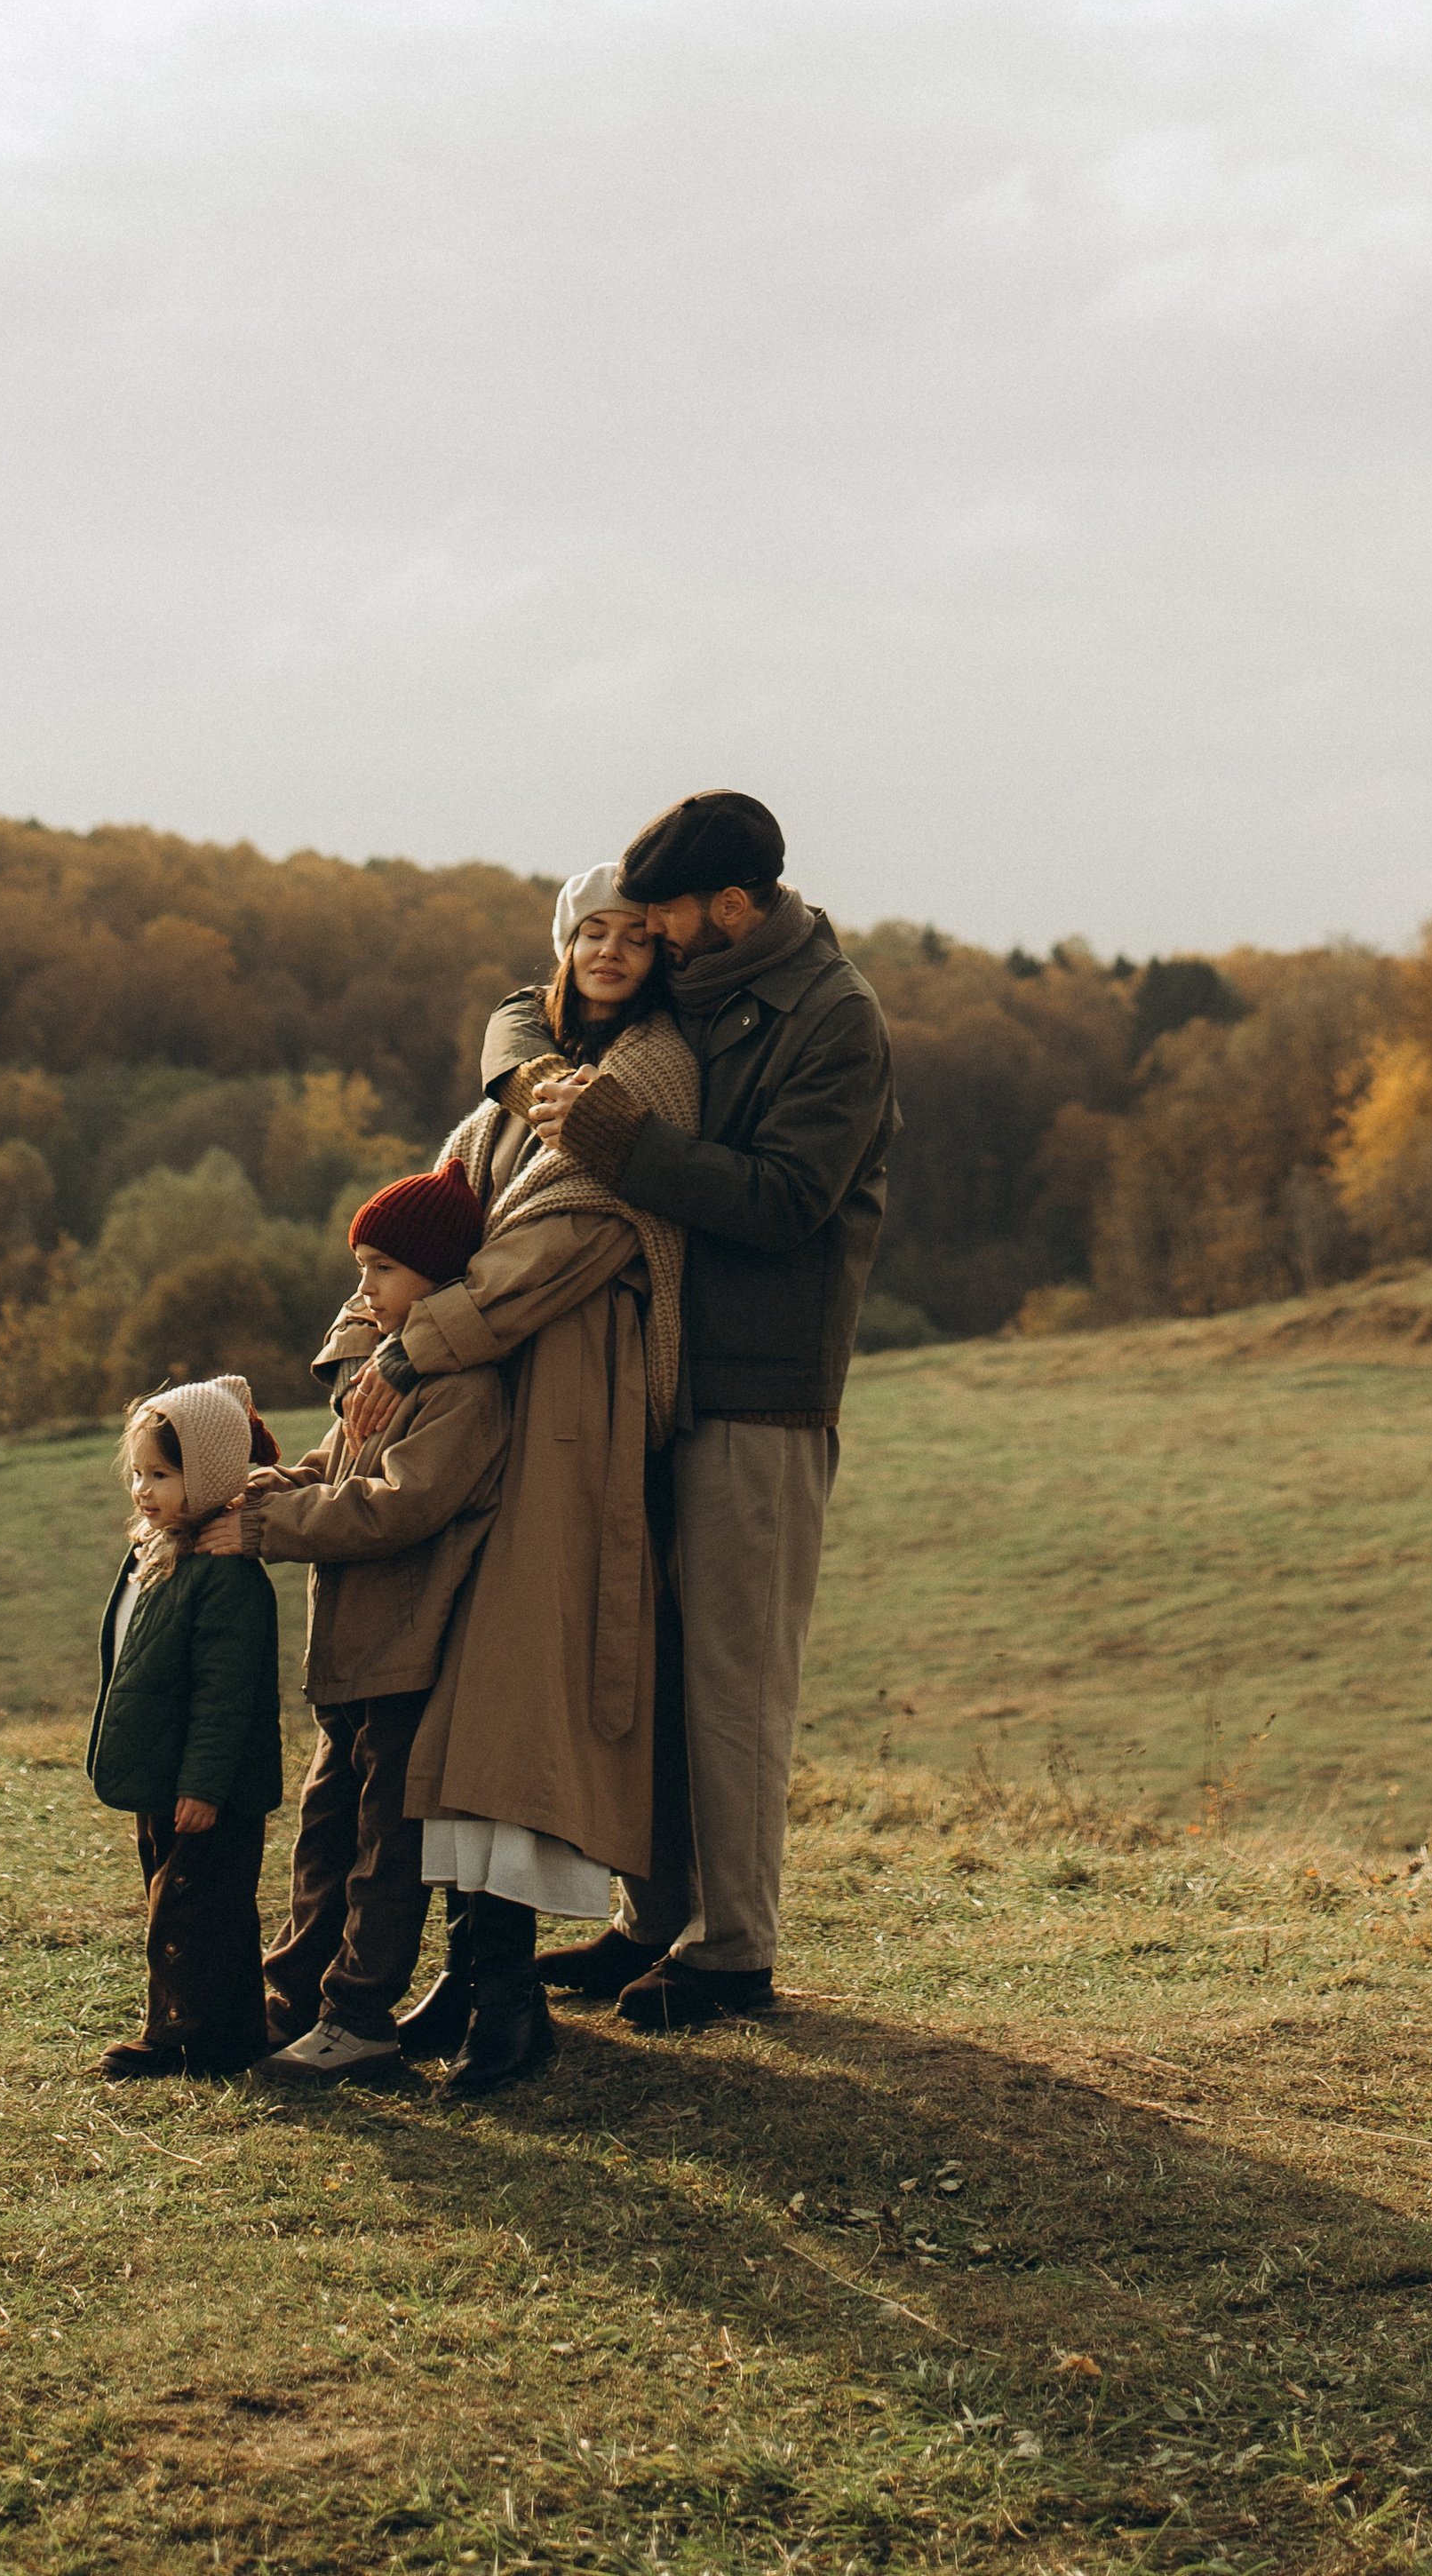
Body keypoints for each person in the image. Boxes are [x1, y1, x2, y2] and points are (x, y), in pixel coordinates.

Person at [504, 790, 897, 2032]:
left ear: (730, 904)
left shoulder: (834, 1018)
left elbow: (786, 1201)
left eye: (665, 912)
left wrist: (619, 1139)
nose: (649, 935)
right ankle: (653, 1917)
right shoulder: (702, 975)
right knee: (652, 1666)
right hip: (657, 1379)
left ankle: (734, 1948)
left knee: (733, 1679)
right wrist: (526, 1077)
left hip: (760, 1393)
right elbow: (528, 1007)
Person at [342, 862, 700, 2099]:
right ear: (562, 942)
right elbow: (423, 1226)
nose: (610, 950)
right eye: (591, 929)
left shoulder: (647, 1078)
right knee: (452, 1693)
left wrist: (406, 1349)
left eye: (634, 935)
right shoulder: (514, 1088)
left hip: (565, 1419)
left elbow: (551, 1251)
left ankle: (508, 2000)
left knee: (513, 1694)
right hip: (474, 1407)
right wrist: (353, 1348)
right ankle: (467, 1972)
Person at [203, 1157, 509, 2090]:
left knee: (385, 1852)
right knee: (323, 1838)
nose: (364, 1288)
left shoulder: (464, 1389)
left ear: (438, 1274)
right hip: (351, 1655)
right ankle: (293, 1998)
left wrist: (267, 1528)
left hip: (405, 1656)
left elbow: (392, 1507)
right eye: (361, 1267)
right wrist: (272, 1483)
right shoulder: (382, 1376)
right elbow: (334, 1469)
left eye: (382, 1268)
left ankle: (360, 2019)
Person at [84, 1372, 282, 2082]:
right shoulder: (157, 1552)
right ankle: (225, 2032)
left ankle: (185, 2035)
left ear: (209, 1477)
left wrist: (204, 1785)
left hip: (208, 1786)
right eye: (138, 1472)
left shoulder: (224, 1577)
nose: (143, 1489)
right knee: (176, 1896)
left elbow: (225, 1697)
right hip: (164, 1773)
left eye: (162, 1475)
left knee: (195, 1909)